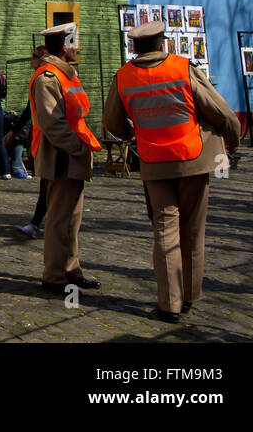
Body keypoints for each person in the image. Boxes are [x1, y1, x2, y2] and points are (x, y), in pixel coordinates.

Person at [103, 20, 240, 324]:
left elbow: (112, 123)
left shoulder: (123, 77)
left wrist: (132, 133)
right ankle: (190, 294)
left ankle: (169, 304)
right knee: (192, 230)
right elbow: (222, 112)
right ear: (162, 43)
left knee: (164, 230)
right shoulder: (182, 68)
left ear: (134, 48)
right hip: (193, 160)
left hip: (154, 164)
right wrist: (231, 141)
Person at [30, 23, 102, 296]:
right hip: (62, 156)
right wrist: (78, 148)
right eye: (74, 42)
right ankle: (54, 277)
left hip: (72, 156)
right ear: (64, 46)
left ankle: (71, 270)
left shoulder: (65, 74)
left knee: (72, 219)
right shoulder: (48, 77)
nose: (77, 47)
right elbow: (53, 125)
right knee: (59, 219)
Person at [11, 46, 50, 236]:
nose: (30, 60)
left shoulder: (44, 79)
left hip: (52, 141)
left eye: (33, 57)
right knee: (48, 185)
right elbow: (29, 110)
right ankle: (37, 223)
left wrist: (13, 132)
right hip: (45, 140)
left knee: (50, 186)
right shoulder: (40, 79)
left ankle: (37, 223)